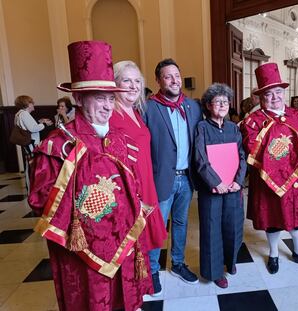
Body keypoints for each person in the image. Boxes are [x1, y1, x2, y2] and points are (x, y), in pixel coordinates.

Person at [28, 40, 151, 311]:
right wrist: (97, 217)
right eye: (99, 98)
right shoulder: (57, 145)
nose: (107, 106)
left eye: (110, 98)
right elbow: (40, 200)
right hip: (81, 251)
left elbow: (135, 186)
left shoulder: (122, 140)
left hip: (125, 243)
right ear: (79, 98)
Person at [240, 62, 298, 274]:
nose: (275, 97)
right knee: (273, 217)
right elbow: (252, 148)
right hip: (269, 177)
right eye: (269, 94)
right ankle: (274, 254)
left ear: (284, 93)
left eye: (278, 92)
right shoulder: (252, 121)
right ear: (261, 97)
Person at [142, 58, 202, 295]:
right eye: (168, 76)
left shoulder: (193, 107)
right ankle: (153, 270)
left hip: (187, 178)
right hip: (161, 178)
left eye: (177, 75)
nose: (175, 80)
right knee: (157, 226)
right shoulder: (148, 107)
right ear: (158, 80)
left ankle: (177, 263)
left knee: (181, 223)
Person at [111, 60, 167, 261]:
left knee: (142, 245)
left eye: (137, 81)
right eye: (127, 80)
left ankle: (143, 284)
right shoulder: (111, 116)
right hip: (130, 189)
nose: (134, 86)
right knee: (131, 244)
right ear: (114, 83)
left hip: (146, 182)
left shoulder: (135, 112)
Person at [194, 83, 246, 288]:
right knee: (212, 229)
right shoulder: (202, 128)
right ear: (208, 105)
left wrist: (238, 182)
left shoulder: (234, 128)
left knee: (233, 226)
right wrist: (216, 182)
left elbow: (242, 157)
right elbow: (200, 159)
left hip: (233, 188)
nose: (223, 105)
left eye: (226, 101)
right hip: (213, 189)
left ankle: (230, 262)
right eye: (218, 102)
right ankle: (214, 272)